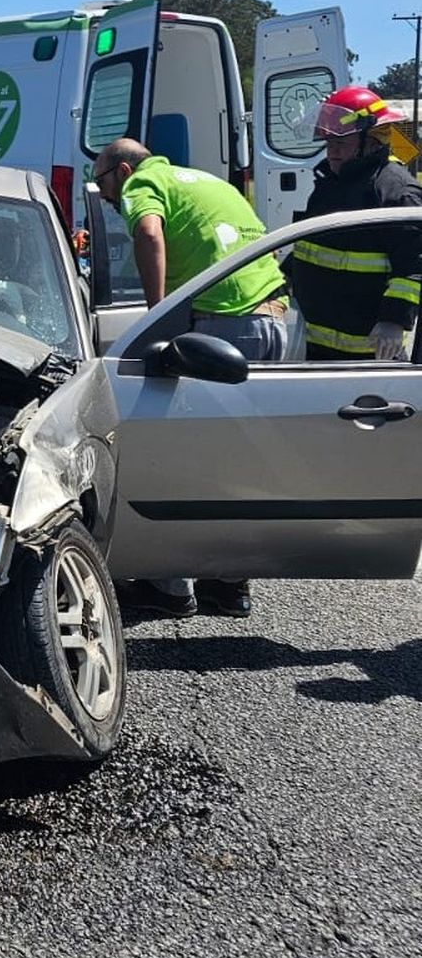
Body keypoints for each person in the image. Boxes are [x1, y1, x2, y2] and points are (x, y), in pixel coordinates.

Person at [93, 137, 289, 619]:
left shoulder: (145, 182)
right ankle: (229, 585)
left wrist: (154, 315)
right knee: (242, 461)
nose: (108, 198)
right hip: (273, 319)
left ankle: (170, 587)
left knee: (187, 455)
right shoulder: (207, 181)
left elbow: (149, 233)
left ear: (120, 170)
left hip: (223, 327)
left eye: (103, 186)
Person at [288, 85, 422, 360]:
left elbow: (415, 266)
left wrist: (394, 321)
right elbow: (311, 246)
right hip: (316, 347)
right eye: (328, 144)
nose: (332, 153)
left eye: (341, 143)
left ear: (372, 141)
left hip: (367, 354)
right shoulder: (331, 183)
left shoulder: (396, 191)